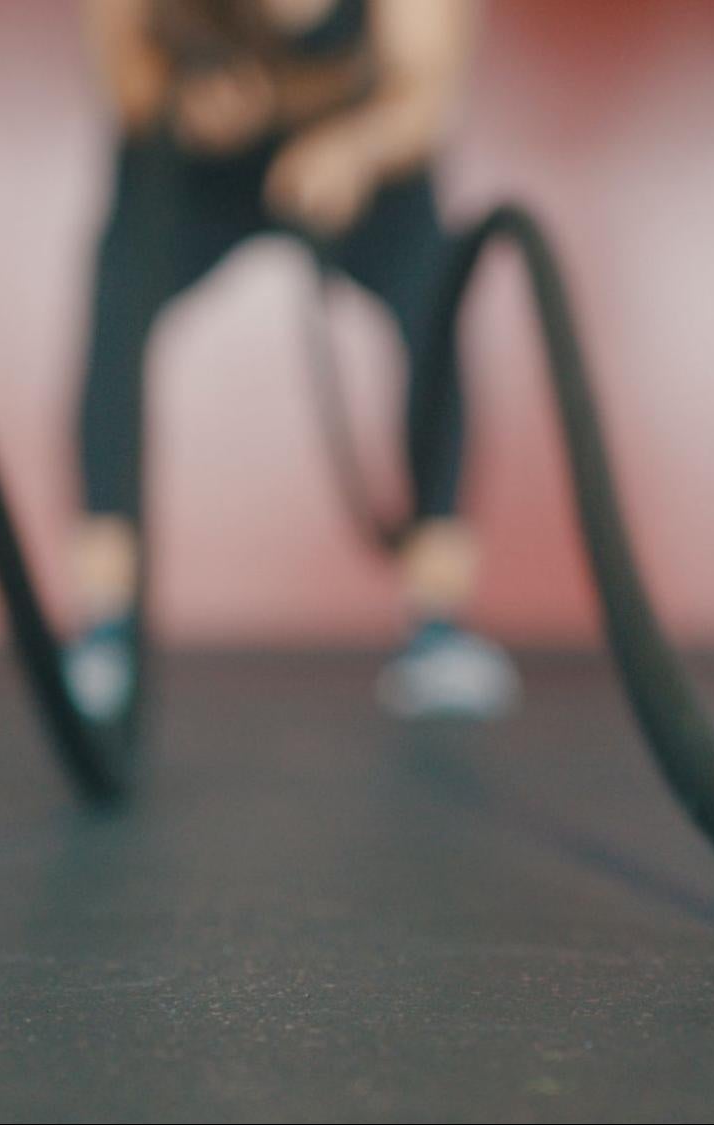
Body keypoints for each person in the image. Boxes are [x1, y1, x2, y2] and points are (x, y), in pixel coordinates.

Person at [66, 0, 517, 719]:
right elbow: (123, 69)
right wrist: (183, 106)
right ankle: (105, 624)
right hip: (193, 162)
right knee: (114, 307)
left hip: (364, 156)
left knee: (436, 311)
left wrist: (354, 150)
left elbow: (427, 99)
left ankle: (438, 627)